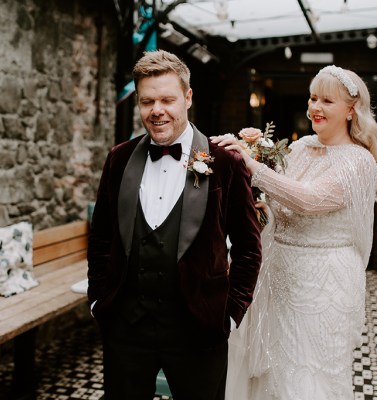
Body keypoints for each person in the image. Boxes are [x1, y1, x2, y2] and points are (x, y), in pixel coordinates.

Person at [87, 50, 262, 400]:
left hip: (199, 328)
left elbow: (248, 248)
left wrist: (229, 316)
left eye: (167, 99)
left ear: (187, 97)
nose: (157, 111)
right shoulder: (118, 158)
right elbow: (101, 237)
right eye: (147, 101)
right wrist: (98, 301)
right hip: (126, 328)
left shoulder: (224, 162)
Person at [212, 65, 377, 400]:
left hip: (323, 284)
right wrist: (261, 205)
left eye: (327, 101)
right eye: (312, 98)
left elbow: (309, 200)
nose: (315, 108)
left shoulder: (358, 162)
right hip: (278, 273)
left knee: (308, 373)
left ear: (351, 110)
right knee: (269, 365)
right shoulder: (301, 147)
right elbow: (286, 201)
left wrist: (254, 167)